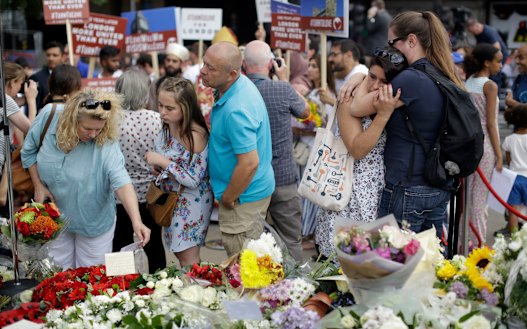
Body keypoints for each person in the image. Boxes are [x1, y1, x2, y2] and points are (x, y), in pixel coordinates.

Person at [341, 11, 465, 239]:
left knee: (392, 266)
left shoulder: (410, 79)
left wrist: (357, 77)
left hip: (406, 186)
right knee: (430, 264)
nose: (391, 49)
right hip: (437, 185)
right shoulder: (442, 72)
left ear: (411, 40)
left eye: (392, 42)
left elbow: (357, 107)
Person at [21, 89, 151, 270]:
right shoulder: (49, 116)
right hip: (55, 217)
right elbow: (28, 152)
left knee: (89, 276)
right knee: (58, 274)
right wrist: (38, 185)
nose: (93, 134)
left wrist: (136, 221)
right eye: (87, 128)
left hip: (93, 222)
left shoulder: (106, 142)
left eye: (99, 128)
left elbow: (121, 182)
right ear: (72, 119)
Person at [315, 47, 405, 260]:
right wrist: (382, 116)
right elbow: (358, 149)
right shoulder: (350, 97)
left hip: (381, 194)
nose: (375, 85)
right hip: (348, 194)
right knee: (344, 269)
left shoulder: (391, 98)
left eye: (383, 82)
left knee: (375, 268)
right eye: (372, 77)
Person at [200, 41, 275, 257]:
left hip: (243, 199)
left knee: (242, 269)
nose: (203, 71)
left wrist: (228, 197)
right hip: (250, 191)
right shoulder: (235, 86)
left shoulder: (236, 109)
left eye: (211, 68)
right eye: (204, 63)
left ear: (232, 74)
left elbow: (250, 163)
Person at [244, 40, 310, 261]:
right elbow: (305, 111)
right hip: (282, 176)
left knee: (253, 243)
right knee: (292, 239)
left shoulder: (238, 93)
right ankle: (297, 288)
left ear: (244, 65)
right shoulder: (281, 89)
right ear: (271, 64)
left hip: (250, 179)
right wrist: (284, 78)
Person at [145, 77, 212, 267]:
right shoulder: (168, 126)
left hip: (190, 203)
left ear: (186, 107)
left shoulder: (195, 135)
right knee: (180, 255)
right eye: (160, 105)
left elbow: (193, 179)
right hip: (171, 200)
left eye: (169, 108)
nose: (162, 112)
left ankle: (194, 294)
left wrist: (163, 162)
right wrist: (157, 168)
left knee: (189, 260)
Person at [114, 68, 165, 272]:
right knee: (154, 245)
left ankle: (120, 288)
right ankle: (159, 286)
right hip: (151, 194)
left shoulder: (111, 121)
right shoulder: (156, 119)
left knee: (120, 245)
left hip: (119, 194)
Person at [293, 54, 336, 247]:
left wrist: (309, 126)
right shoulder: (312, 92)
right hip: (305, 146)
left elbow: (328, 123)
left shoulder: (327, 94)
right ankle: (305, 231)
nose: (309, 69)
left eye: (313, 66)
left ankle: (309, 234)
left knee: (311, 193)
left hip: (316, 148)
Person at [464, 43, 504, 244]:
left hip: (466, 145)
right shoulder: (490, 86)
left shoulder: (468, 82)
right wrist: (499, 154)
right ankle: (477, 247)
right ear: (487, 63)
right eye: (498, 61)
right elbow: (491, 123)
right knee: (480, 202)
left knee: (467, 199)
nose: (501, 65)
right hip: (484, 146)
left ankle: (464, 243)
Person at [503, 104, 527, 235]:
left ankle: (515, 239)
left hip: (514, 179)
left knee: (513, 211)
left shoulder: (509, 139)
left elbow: (509, 160)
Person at [148, 42, 189, 111]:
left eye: (174, 61)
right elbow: (152, 106)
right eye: (168, 60)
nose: (170, 64)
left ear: (181, 64)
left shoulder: (186, 84)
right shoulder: (156, 83)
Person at [30, 41, 64, 109]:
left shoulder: (68, 76)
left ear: (62, 57)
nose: (51, 58)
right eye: (48, 55)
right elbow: (34, 106)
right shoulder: (37, 78)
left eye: (55, 55)